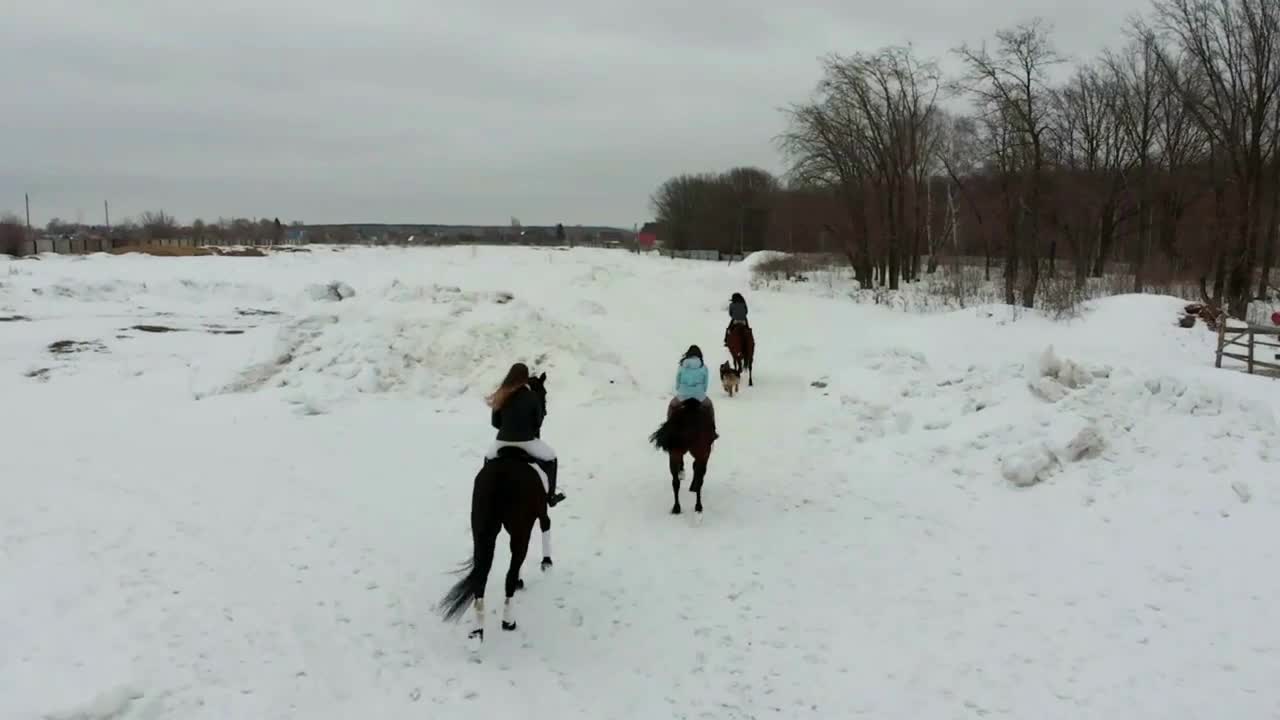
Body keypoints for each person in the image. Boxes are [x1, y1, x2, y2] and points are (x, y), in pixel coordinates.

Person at [485, 362, 563, 507]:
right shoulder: (532, 396)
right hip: (526, 442)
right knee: (551, 459)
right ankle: (551, 497)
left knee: (488, 459)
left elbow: (495, 423)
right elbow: (538, 423)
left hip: (501, 442)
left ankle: (487, 492)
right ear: (525, 378)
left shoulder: (501, 394)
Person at [668, 345, 717, 438]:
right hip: (699, 396)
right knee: (709, 406)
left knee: (672, 406)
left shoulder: (682, 365)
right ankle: (712, 430)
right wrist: (702, 392)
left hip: (682, 395)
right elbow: (705, 383)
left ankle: (669, 430)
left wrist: (679, 389)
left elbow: (678, 379)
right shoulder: (703, 366)